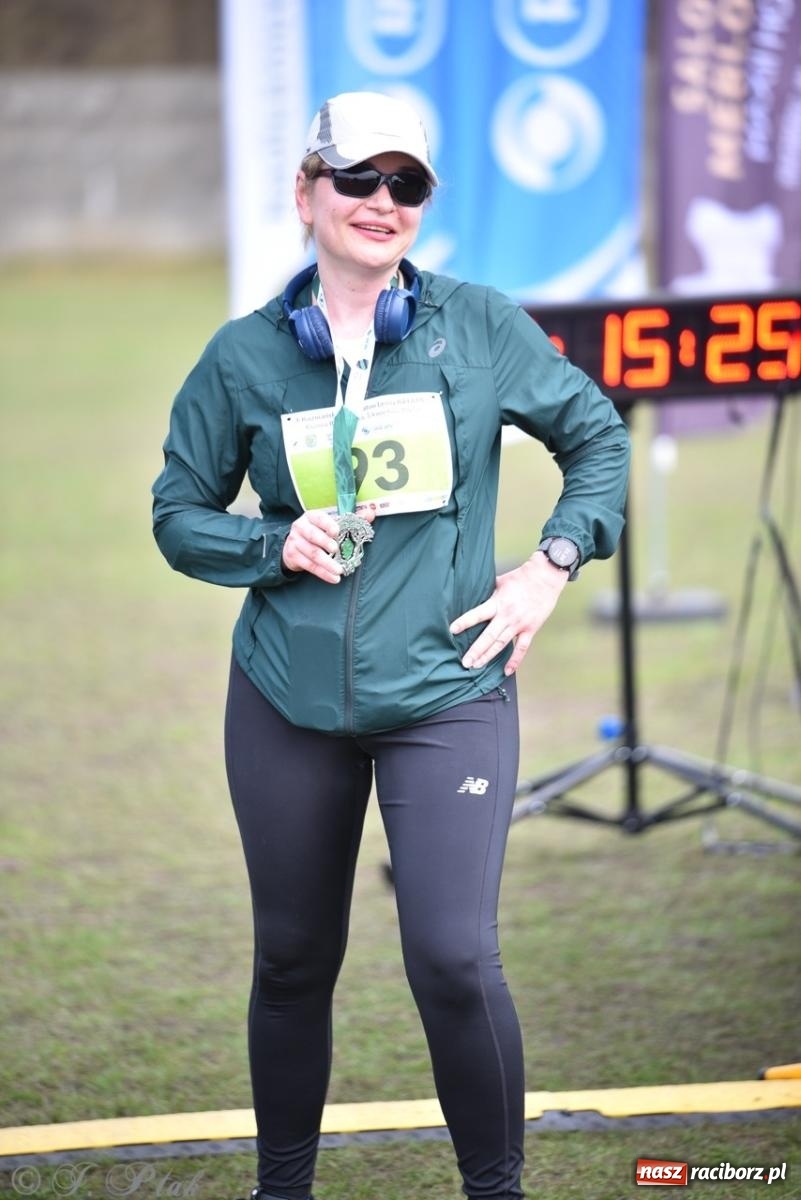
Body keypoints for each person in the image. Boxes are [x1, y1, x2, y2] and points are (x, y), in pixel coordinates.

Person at [152, 90, 630, 1200]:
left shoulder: (480, 325)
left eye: (404, 183)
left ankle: (496, 1190)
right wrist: (272, 543)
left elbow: (596, 438)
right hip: (285, 699)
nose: (381, 201)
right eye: (358, 178)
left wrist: (550, 566)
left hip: (447, 692)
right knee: (290, 961)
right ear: (307, 192)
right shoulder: (243, 356)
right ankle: (282, 1190)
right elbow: (177, 513)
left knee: (454, 958)